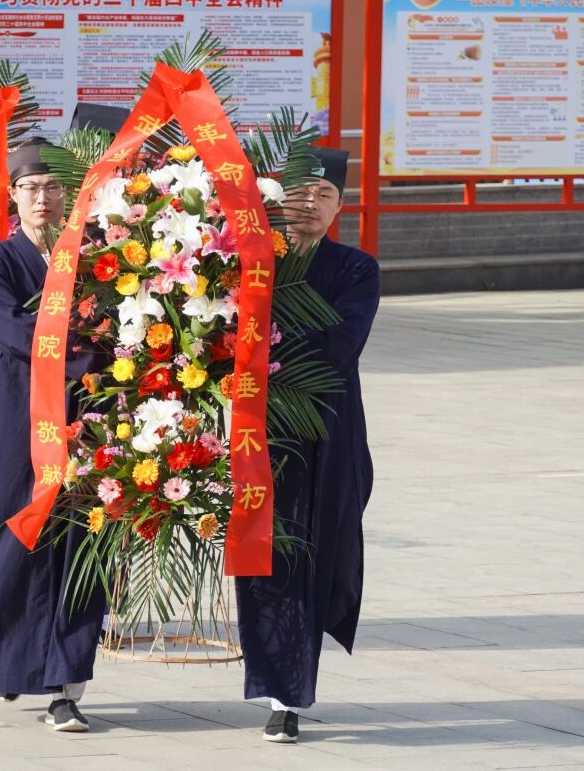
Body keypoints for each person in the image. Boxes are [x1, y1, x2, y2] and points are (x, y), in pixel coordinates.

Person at [0, 138, 105, 733]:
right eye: (31, 188)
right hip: (18, 421)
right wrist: (84, 353)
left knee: (79, 547)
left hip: (84, 419)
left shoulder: (94, 258)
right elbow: (10, 330)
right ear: (13, 197)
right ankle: (4, 663)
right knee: (11, 537)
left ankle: (65, 687)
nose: (43, 197)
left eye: (53, 187)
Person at [235, 147, 380, 744]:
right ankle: (279, 686)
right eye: (302, 194)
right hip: (252, 429)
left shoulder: (355, 268)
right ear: (277, 199)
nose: (312, 205)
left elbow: (340, 344)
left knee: (311, 557)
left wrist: (264, 340)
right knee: (262, 558)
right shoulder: (247, 260)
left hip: (326, 431)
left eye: (326, 196)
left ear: (339, 207)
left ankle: (288, 693)